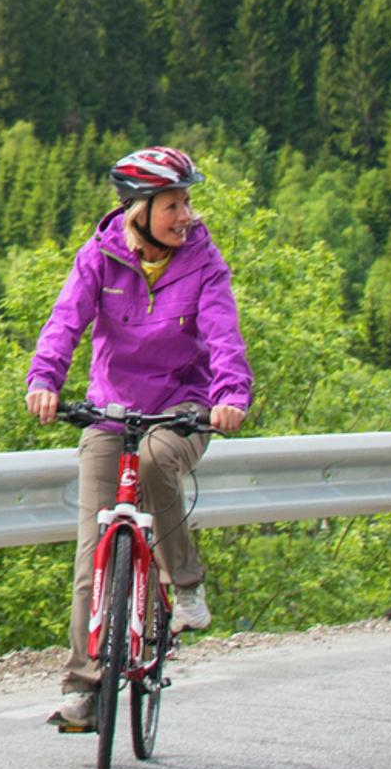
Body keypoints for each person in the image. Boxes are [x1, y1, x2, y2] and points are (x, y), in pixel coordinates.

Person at [23, 145, 253, 735]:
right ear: (138, 210)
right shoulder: (98, 257)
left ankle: (186, 582)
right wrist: (44, 379)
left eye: (186, 203)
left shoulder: (203, 261)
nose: (185, 216)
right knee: (92, 550)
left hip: (184, 405)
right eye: (172, 205)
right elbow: (65, 322)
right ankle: (82, 688)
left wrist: (231, 396)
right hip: (112, 409)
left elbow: (223, 332)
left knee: (155, 462)